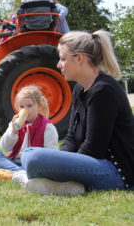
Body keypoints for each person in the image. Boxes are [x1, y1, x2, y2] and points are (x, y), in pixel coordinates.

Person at [21, 30, 134, 196]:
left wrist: (61, 168)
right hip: (95, 165)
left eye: (63, 58)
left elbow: (94, 149)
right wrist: (60, 161)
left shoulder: (103, 90)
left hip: (117, 174)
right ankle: (61, 185)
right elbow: (71, 137)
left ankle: (32, 179)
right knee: (15, 156)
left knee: (32, 157)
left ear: (80, 58)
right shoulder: (80, 89)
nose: (59, 64)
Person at [0, 85, 58, 186]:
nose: (25, 110)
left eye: (29, 106)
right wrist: (13, 131)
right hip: (15, 162)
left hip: (33, 164)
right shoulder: (15, 123)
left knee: (33, 164)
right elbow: (5, 147)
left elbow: (52, 155)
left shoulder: (47, 127)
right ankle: (23, 174)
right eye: (22, 107)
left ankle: (18, 174)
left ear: (39, 106)